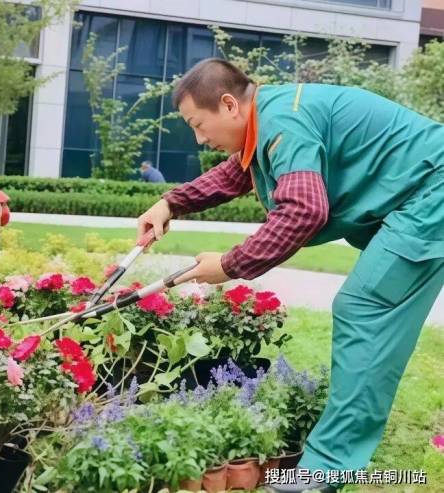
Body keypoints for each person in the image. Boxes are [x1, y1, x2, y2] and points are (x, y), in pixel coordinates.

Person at [137, 58, 443, 493]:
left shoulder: (283, 122)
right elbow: (239, 171)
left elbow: (303, 210)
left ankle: (325, 471)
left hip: (432, 196)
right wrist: (172, 202)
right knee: (366, 308)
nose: (200, 138)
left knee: (364, 310)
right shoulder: (272, 114)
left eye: (198, 125)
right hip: (424, 195)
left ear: (229, 105)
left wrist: (228, 265)